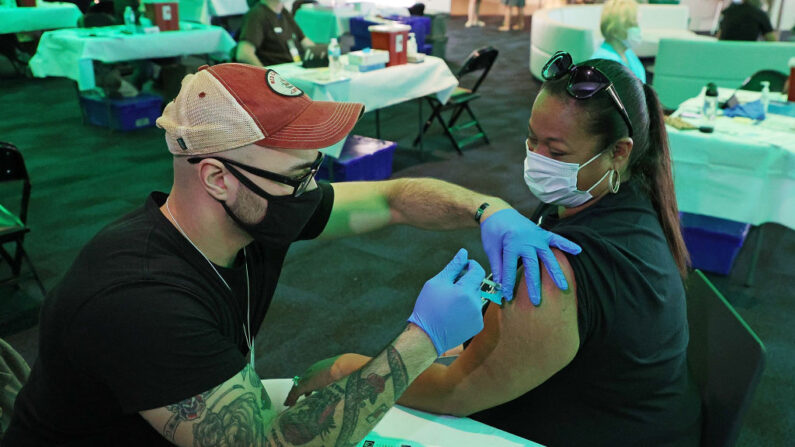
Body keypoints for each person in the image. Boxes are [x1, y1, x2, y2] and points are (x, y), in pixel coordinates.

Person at [4, 63, 580, 446]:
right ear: (217, 178)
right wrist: (421, 340)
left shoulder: (255, 208)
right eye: (299, 174)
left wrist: (488, 209)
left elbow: (394, 197)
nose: (312, 189)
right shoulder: (142, 301)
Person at [286, 53, 703, 446]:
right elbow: (390, 200)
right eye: (531, 139)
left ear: (619, 152)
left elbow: (455, 393)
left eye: (556, 152)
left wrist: (345, 369)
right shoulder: (624, 200)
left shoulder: (561, 269)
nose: (536, 160)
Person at [236, 0, 315, 67]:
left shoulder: (283, 12)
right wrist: (265, 75)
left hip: (296, 69)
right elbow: (244, 54)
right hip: (278, 76)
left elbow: (305, 42)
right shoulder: (257, 14)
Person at [592, 0, 646, 83]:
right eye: (633, 25)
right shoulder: (604, 62)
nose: (638, 29)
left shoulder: (627, 53)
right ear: (616, 28)